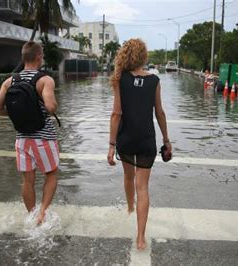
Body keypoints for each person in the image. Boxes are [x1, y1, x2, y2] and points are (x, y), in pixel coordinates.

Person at [107, 39, 172, 250]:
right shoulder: (154, 80)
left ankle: (129, 208)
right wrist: (166, 141)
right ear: (143, 56)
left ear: (125, 55)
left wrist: (111, 145)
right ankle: (141, 237)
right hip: (146, 140)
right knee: (142, 187)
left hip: (126, 139)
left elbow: (116, 113)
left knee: (128, 176)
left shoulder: (119, 79)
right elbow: (160, 113)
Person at [0, 41, 59, 225]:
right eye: (42, 54)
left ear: (23, 57)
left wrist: (16, 113)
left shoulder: (9, 81)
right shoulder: (45, 80)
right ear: (39, 56)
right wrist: (45, 108)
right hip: (44, 138)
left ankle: (31, 215)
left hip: (21, 139)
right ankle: (42, 213)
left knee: (27, 179)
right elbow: (51, 107)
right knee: (51, 174)